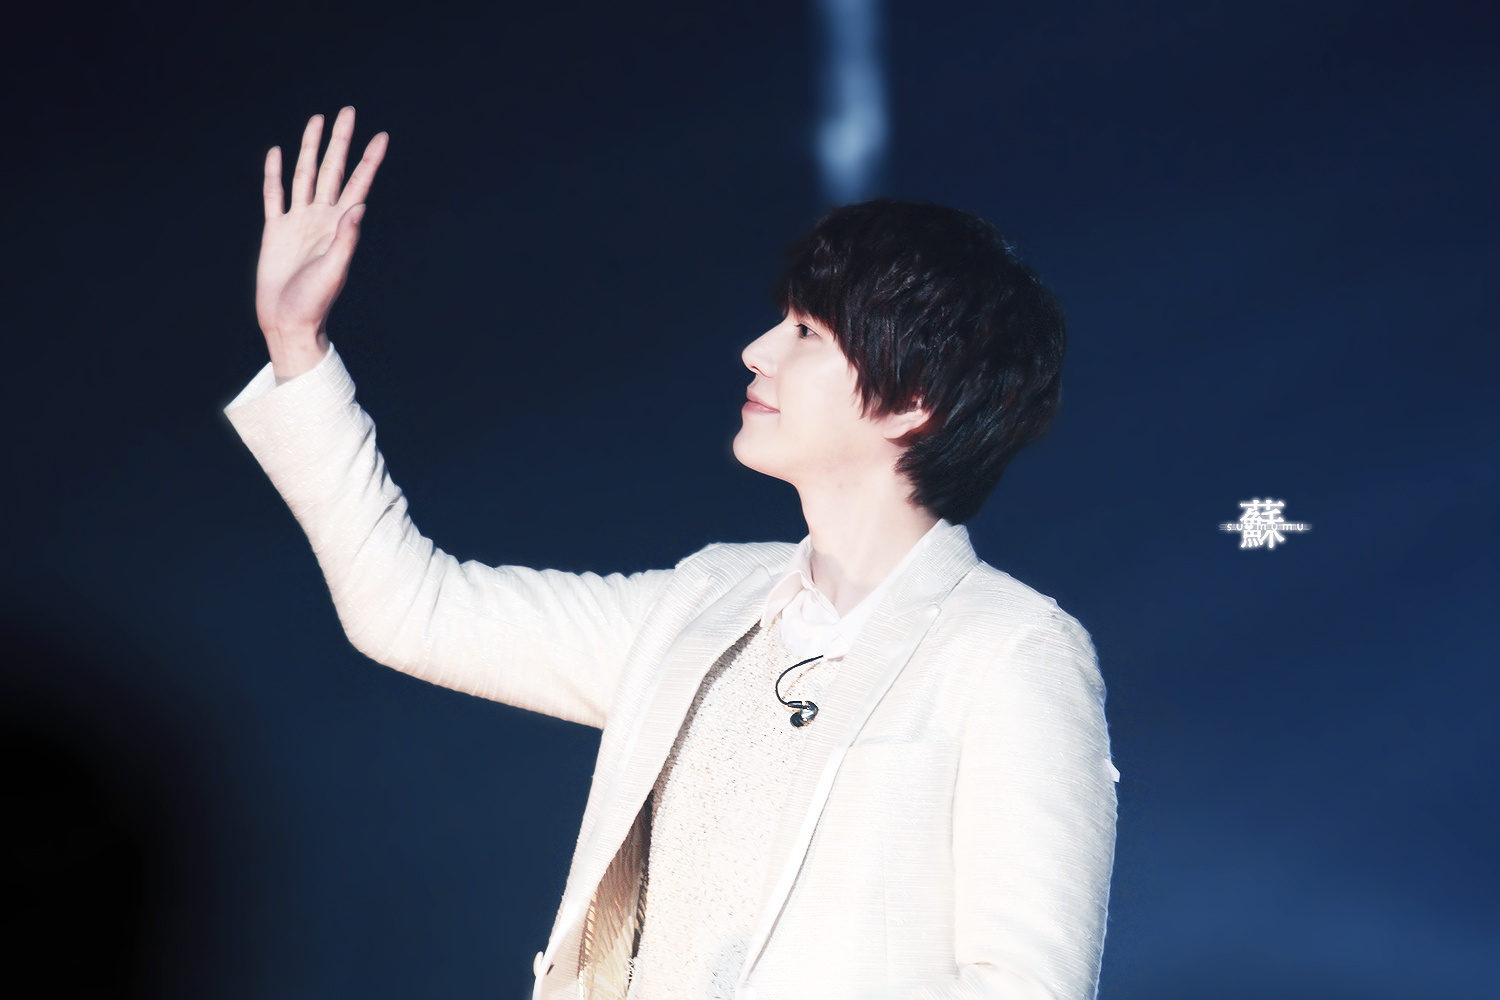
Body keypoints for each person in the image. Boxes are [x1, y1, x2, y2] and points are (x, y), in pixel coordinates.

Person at [226, 107, 1118, 1000]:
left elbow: (1026, 989)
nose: (757, 351)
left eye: (807, 332)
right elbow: (413, 609)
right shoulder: (706, 598)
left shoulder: (1013, 651)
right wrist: (297, 347)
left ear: (914, 399)